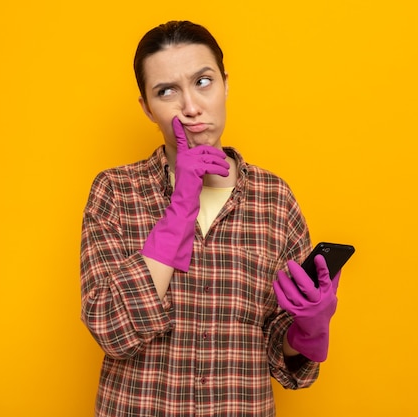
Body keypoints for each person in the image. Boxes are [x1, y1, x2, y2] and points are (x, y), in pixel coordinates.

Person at [80, 20, 341, 416]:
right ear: (147, 108)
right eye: (166, 91)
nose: (190, 107)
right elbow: (110, 326)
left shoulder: (275, 200)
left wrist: (307, 329)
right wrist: (181, 205)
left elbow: (280, 358)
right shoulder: (116, 191)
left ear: (225, 84)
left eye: (203, 81)